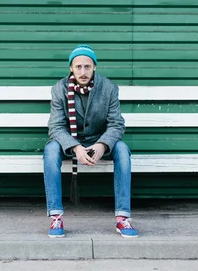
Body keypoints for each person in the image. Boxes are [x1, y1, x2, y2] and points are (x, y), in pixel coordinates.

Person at [43, 44, 138, 238]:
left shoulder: (109, 88)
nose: (83, 72)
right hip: (70, 143)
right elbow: (56, 127)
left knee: (122, 149)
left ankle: (122, 218)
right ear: (71, 68)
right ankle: (56, 216)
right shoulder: (59, 89)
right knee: (51, 150)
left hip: (98, 141)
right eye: (78, 67)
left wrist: (103, 145)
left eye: (87, 66)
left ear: (95, 67)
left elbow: (117, 124)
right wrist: (76, 147)